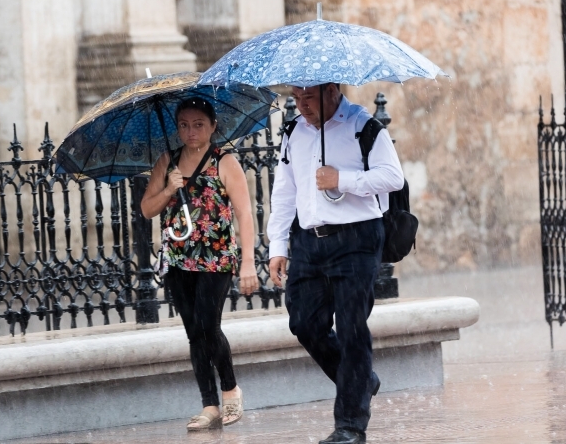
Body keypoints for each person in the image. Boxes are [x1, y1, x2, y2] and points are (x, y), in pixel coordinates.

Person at [267, 83, 404, 444]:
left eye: (308, 98)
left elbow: (393, 176)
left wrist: (341, 179)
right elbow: (285, 189)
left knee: (351, 328)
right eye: (296, 98)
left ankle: (350, 426)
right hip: (308, 241)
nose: (301, 105)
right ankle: (362, 380)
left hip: (357, 239)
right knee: (304, 323)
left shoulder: (364, 126)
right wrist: (277, 245)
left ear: (331, 91)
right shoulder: (293, 131)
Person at [141, 97, 259, 431]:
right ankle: (209, 405)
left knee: (208, 325)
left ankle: (230, 389)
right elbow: (147, 209)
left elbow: (244, 213)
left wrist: (248, 262)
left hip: (215, 258)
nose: (190, 132)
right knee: (194, 332)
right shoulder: (168, 161)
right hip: (178, 260)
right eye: (184, 125)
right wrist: (169, 188)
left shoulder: (225, 162)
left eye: (198, 125)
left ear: (212, 126)